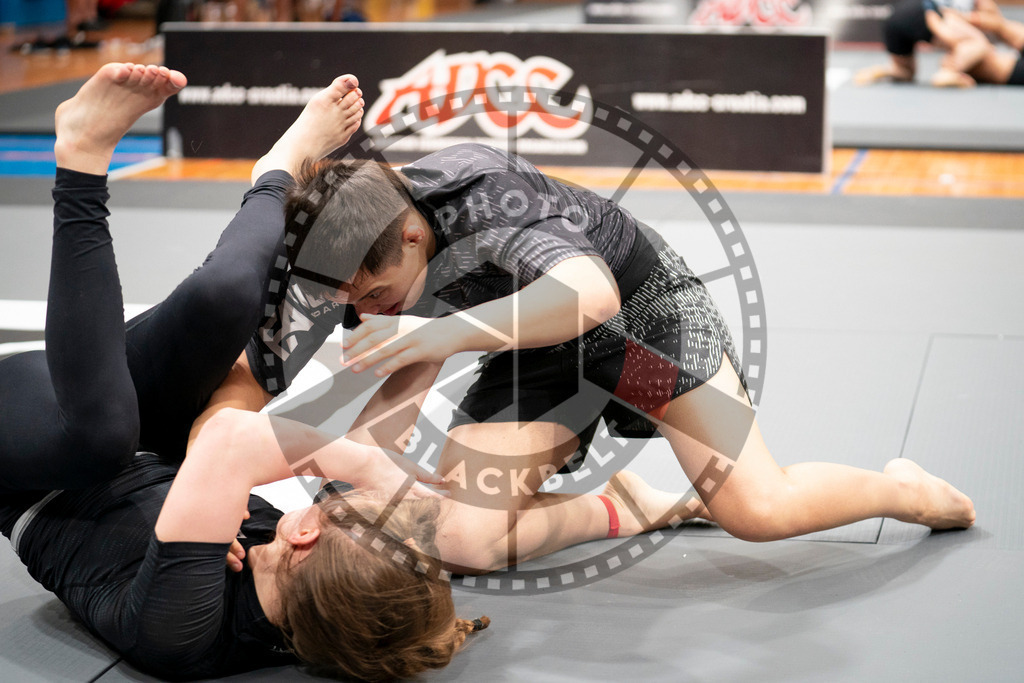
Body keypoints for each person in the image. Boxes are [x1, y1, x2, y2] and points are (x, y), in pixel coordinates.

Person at [243, 138, 977, 575]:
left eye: (374, 296)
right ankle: (623, 504)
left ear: (410, 237)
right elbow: (392, 410)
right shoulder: (361, 246)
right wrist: (342, 484)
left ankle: (901, 488)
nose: (365, 311)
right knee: (465, 535)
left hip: (641, 324)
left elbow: (589, 297)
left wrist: (435, 335)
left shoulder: (485, 201)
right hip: (534, 347)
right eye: (355, 300)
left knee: (757, 508)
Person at [0, 62, 486, 682]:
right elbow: (241, 454)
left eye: (338, 507)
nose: (332, 500)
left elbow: (232, 444)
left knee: (102, 438)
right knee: (225, 297)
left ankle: (81, 158)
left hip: (36, 455)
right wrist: (636, 509)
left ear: (306, 537)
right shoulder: (329, 579)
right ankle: (275, 175)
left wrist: (363, 467)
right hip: (157, 434)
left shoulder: (184, 623)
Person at [855, 0, 1024, 87]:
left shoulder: (976, 12)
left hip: (896, 18)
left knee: (905, 72)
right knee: (980, 44)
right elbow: (939, 20)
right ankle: (948, 71)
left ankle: (892, 70)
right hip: (926, 13)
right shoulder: (967, 12)